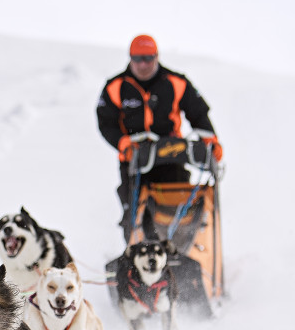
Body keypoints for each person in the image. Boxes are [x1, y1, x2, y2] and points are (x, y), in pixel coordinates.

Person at [96, 34, 223, 217]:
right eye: (137, 59)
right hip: (135, 159)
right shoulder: (115, 87)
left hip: (171, 156)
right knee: (134, 215)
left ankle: (181, 240)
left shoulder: (176, 82)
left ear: (157, 57)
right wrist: (122, 143)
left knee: (178, 213)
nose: (143, 65)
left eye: (148, 59)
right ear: (130, 58)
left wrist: (210, 139)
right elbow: (105, 122)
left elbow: (198, 114)